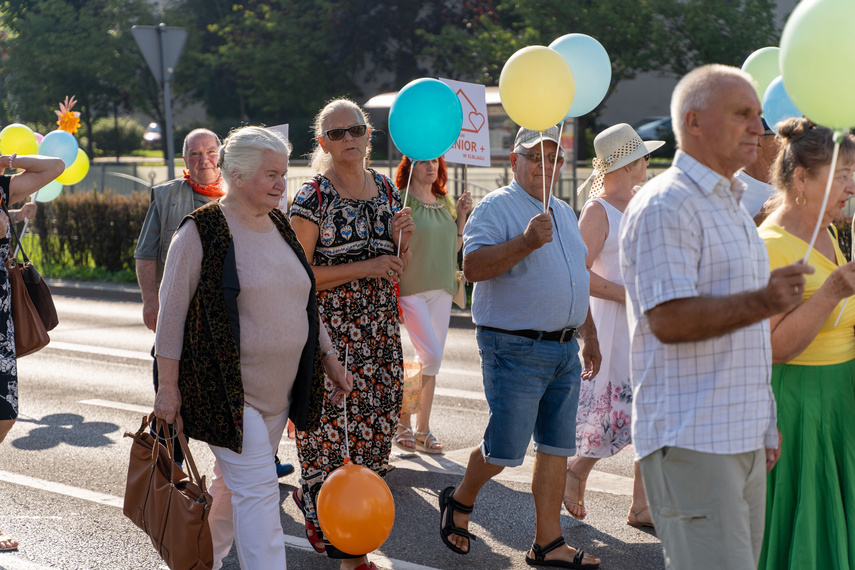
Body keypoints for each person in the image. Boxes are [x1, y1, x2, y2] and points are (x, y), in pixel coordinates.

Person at [619, 64, 812, 570]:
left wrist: (764, 422)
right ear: (695, 122)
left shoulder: (731, 204)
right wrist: (765, 301)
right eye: (743, 115)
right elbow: (669, 320)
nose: (759, 127)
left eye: (760, 116)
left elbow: (747, 337)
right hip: (692, 439)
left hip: (740, 436)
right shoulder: (667, 204)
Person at [152, 126, 351, 569]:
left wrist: (330, 357)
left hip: (278, 393)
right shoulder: (201, 231)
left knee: (232, 485)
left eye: (283, 173)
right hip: (225, 392)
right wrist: (167, 388)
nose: (282, 184)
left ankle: (199, 560)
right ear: (238, 176)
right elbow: (170, 318)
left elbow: (304, 299)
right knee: (260, 490)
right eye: (271, 175)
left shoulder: (280, 224)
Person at [439, 125, 601, 569]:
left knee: (555, 447)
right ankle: (459, 498)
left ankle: (547, 544)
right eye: (534, 157)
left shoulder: (565, 211)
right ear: (514, 161)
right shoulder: (496, 207)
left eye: (553, 158)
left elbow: (576, 280)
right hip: (514, 347)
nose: (543, 167)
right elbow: (472, 267)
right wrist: (527, 241)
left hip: (564, 349)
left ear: (562, 165)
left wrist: (589, 335)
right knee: (506, 448)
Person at [289, 98, 414, 570]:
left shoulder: (385, 189)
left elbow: (398, 260)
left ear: (368, 135)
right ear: (322, 142)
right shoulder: (313, 198)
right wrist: (370, 264)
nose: (348, 139)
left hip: (380, 339)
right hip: (330, 344)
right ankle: (345, 549)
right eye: (337, 133)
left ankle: (356, 546)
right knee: (332, 447)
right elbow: (297, 275)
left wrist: (406, 234)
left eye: (355, 130)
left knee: (373, 444)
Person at [757, 118, 855, 569]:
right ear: (800, 179)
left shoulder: (828, 230)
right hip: (800, 403)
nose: (851, 187)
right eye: (840, 175)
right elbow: (773, 347)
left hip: (840, 395)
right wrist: (834, 291)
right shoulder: (771, 244)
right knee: (807, 519)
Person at [564, 123, 663, 528]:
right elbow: (578, 272)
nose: (648, 162)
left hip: (649, 322)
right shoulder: (597, 210)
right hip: (613, 323)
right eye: (642, 156)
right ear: (625, 163)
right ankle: (575, 471)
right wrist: (627, 294)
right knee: (614, 407)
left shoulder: (643, 199)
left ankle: (641, 505)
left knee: (651, 409)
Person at [0, 152, 65, 552]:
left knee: (5, 413)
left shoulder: (2, 188)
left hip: (1, 320)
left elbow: (54, 167)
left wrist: (8, 157)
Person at [393, 155, 472, 454]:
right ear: (409, 167)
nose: (431, 167)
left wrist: (461, 216)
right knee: (431, 354)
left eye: (435, 163)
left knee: (430, 361)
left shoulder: (447, 201)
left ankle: (422, 430)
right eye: (424, 162)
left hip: (442, 286)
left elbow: (453, 247)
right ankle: (402, 424)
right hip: (411, 288)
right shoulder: (400, 200)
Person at [735, 118, 780, 225]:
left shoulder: (796, 182)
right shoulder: (731, 191)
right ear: (758, 141)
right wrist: (764, 216)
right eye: (781, 137)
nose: (790, 144)